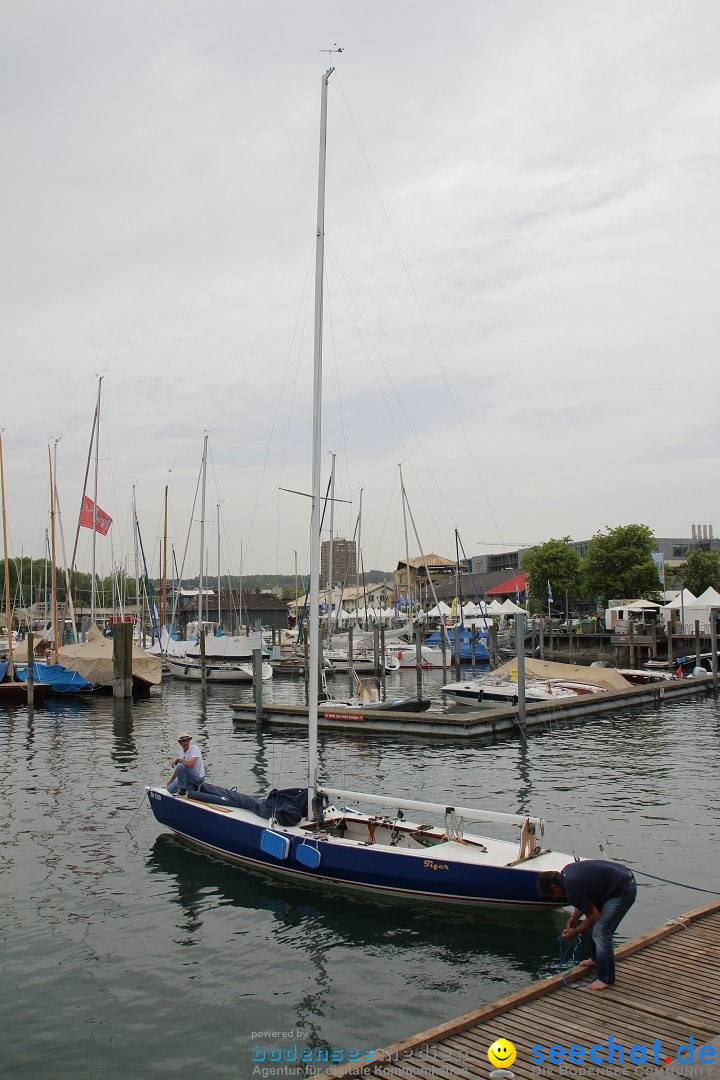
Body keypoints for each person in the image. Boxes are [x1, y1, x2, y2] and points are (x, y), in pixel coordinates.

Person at [536, 860, 637, 990]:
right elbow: (584, 901)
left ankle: (606, 978)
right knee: (595, 928)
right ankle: (596, 959)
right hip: (614, 884)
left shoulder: (570, 888)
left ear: (554, 887)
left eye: (553, 895)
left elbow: (593, 916)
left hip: (623, 889)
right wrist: (573, 918)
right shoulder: (567, 874)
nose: (555, 898)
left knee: (601, 932)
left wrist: (576, 932)